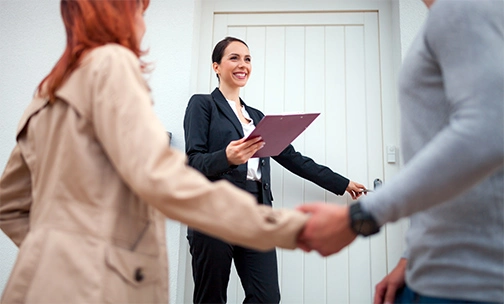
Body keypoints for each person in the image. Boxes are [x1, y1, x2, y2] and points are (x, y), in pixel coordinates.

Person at [0, 1, 309, 303]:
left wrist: (54, 254)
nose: (143, 24)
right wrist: (293, 227)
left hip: (37, 287)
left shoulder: (48, 90)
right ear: (118, 14)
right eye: (140, 11)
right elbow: (169, 180)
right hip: (98, 288)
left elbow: (9, 206)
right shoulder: (112, 66)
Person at [297, 0, 504, 303]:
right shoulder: (449, 16)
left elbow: (489, 129)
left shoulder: (462, 7)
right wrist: (411, 258)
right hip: (433, 269)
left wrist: (360, 216)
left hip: (471, 279)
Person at [183, 36, 366, 304]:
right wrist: (227, 157)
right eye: (233, 58)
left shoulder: (257, 117)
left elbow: (294, 159)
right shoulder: (202, 104)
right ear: (216, 67)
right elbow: (193, 162)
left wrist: (342, 182)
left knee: (267, 297)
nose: (242, 64)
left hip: (257, 212)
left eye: (247, 58)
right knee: (210, 298)